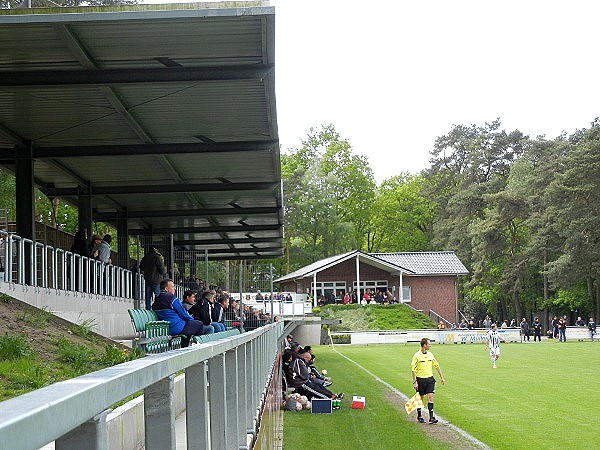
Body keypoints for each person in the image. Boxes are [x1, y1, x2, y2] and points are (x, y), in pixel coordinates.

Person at [152, 279, 213, 347]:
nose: (174, 288)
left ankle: (185, 348)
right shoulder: (172, 299)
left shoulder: (156, 300)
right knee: (199, 324)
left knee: (190, 327)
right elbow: (183, 314)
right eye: (172, 286)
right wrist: (191, 318)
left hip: (165, 328)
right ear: (166, 289)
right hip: (176, 327)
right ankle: (198, 348)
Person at [411, 337, 445, 424]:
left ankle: (431, 417)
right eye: (429, 344)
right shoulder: (416, 356)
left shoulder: (430, 355)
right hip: (420, 380)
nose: (430, 345)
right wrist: (415, 382)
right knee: (420, 398)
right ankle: (419, 416)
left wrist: (442, 377)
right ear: (424, 345)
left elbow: (436, 365)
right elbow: (413, 369)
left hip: (430, 379)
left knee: (430, 397)